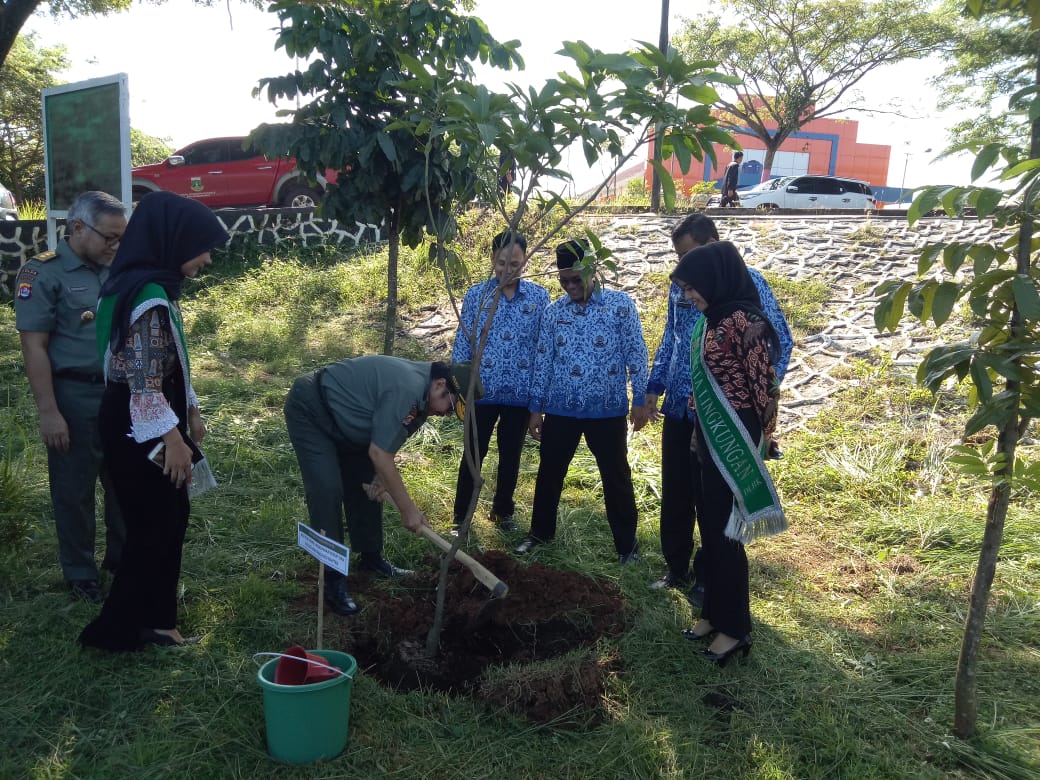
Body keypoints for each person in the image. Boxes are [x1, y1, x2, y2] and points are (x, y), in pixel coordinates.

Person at [80, 191, 229, 651]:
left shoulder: (146, 286)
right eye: (202, 247)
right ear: (174, 240)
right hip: (139, 424)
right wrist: (175, 439)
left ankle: (160, 622)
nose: (207, 259)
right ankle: (116, 631)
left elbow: (170, 361)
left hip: (144, 417)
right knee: (156, 524)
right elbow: (142, 383)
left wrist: (193, 411)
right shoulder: (146, 295)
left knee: (170, 517)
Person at [634, 214, 793, 605]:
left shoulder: (748, 283)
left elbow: (780, 342)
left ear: (713, 244)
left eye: (690, 254)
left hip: (721, 414)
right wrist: (654, 386)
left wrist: (757, 399)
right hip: (680, 407)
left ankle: (710, 574)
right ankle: (676, 566)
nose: (687, 271)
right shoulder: (679, 290)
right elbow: (671, 339)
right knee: (676, 492)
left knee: (714, 499)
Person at [284, 355, 481, 615]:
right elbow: (380, 453)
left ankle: (371, 559)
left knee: (369, 486)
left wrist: (381, 477)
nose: (445, 413)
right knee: (327, 489)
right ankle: (333, 579)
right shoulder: (408, 388)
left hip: (352, 423)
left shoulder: (423, 402)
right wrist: (407, 509)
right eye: (449, 405)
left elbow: (389, 440)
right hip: (314, 409)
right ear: (439, 384)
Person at [671, 241, 787, 666]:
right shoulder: (709, 320)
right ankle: (713, 614)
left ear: (713, 280)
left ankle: (736, 629)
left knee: (726, 534)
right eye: (684, 289)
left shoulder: (744, 321)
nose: (688, 296)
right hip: (706, 432)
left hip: (734, 434)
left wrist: (766, 438)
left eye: (692, 287)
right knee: (710, 527)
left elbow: (765, 388)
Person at [15, 191, 128, 603]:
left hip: (120, 392)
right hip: (73, 395)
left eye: (121, 238)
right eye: (109, 237)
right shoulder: (43, 274)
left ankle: (121, 559)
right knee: (74, 489)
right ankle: (81, 574)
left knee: (124, 481)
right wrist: (49, 411)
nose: (116, 246)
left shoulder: (117, 268)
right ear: (78, 228)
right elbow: (34, 347)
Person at [514, 239, 648, 563]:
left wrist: (640, 399)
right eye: (564, 281)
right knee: (550, 472)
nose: (571, 286)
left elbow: (637, 354)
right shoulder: (553, 313)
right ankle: (540, 533)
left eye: (577, 279)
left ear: (593, 270)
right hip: (561, 409)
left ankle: (626, 546)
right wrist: (535, 409)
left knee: (615, 476)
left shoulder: (620, 306)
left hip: (607, 409)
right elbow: (543, 361)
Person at [451, 230, 549, 533]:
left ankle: (502, 511)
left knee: (511, 456)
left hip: (519, 396)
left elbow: (542, 350)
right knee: (472, 455)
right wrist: (459, 391)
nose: (508, 270)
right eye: (502, 262)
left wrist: (537, 403)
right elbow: (463, 344)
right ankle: (461, 518)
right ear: (493, 259)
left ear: (525, 261)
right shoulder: (477, 295)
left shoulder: (539, 297)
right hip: (481, 393)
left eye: (516, 263)